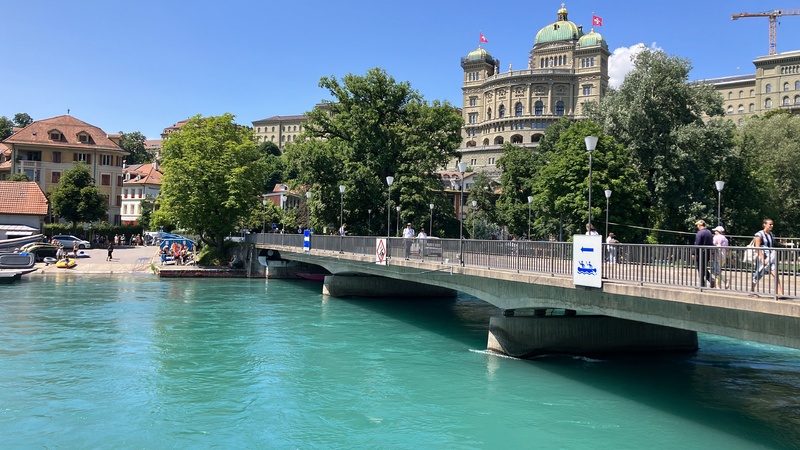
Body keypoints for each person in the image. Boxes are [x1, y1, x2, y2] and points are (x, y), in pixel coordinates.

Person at [750, 218, 784, 297]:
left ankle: (780, 293)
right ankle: (752, 290)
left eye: (772, 224)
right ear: (765, 224)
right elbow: (757, 247)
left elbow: (772, 245)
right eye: (770, 224)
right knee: (758, 274)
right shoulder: (759, 234)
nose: (771, 226)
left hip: (770, 256)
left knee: (776, 274)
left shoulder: (771, 234)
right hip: (762, 256)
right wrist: (762, 258)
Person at [694, 219, 714, 288]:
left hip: (700, 253)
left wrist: (693, 253)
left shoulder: (699, 233)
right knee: (703, 267)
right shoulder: (709, 232)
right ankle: (709, 280)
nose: (697, 226)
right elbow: (711, 243)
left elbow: (697, 244)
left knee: (700, 268)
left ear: (700, 225)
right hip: (708, 252)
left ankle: (703, 283)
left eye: (697, 225)